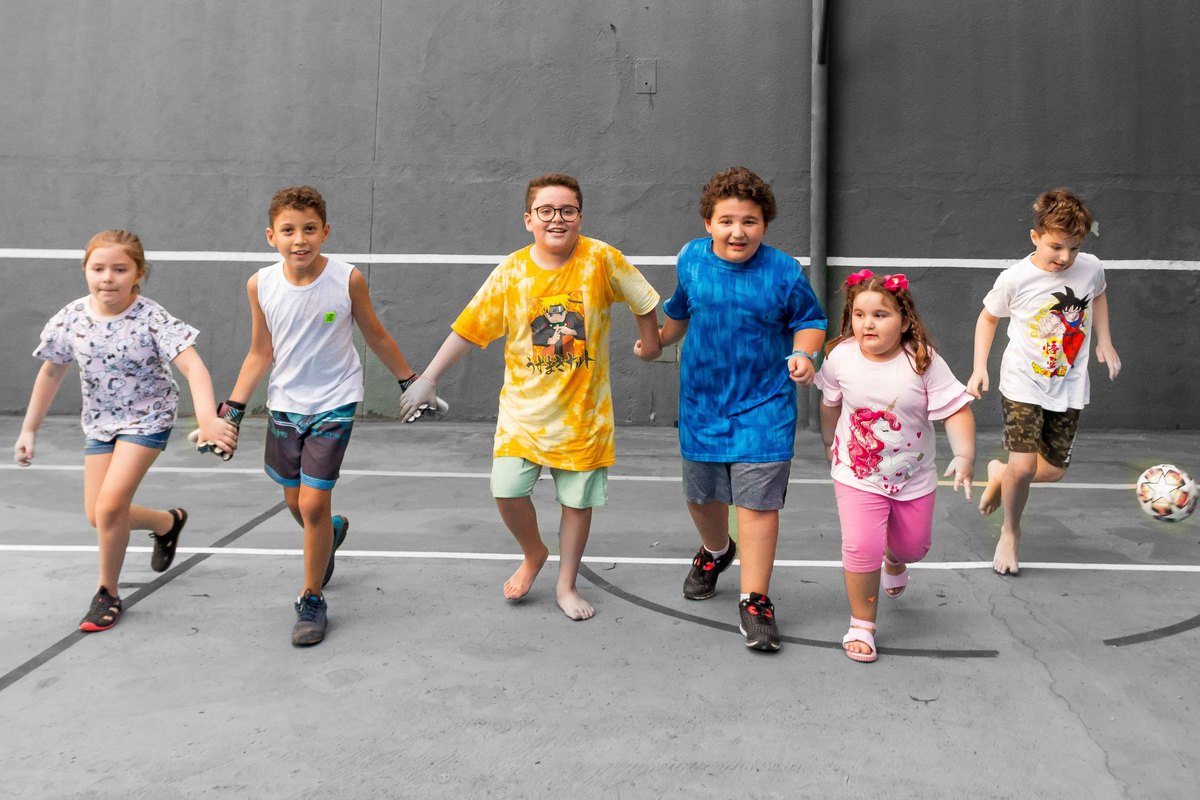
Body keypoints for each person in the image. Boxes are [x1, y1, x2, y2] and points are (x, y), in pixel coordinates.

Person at [400, 173, 661, 621]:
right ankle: (534, 552)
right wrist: (429, 377)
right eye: (546, 211)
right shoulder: (512, 271)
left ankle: (566, 584)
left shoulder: (601, 259)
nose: (557, 219)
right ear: (528, 219)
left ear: (580, 217)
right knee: (506, 490)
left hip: (583, 417)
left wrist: (651, 344)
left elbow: (643, 299)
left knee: (576, 503)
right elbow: (469, 328)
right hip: (523, 416)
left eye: (567, 210)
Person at [636, 166, 827, 652]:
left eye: (749, 221)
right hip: (703, 404)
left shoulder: (784, 271)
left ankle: (755, 599)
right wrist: (657, 341)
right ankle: (717, 550)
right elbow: (681, 311)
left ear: (765, 225)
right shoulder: (691, 259)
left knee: (758, 505)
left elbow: (810, 320)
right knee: (702, 498)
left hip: (765, 406)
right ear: (708, 223)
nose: (737, 231)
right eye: (726, 220)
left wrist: (804, 354)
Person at [12, 230, 237, 632]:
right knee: (97, 515)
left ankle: (107, 593)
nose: (107, 277)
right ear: (85, 270)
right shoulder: (72, 317)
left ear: (138, 273)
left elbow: (193, 368)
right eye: (98, 268)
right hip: (100, 423)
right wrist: (29, 430)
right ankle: (167, 523)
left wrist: (207, 418)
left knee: (110, 506)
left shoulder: (151, 317)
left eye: (119, 269)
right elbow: (51, 372)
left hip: (148, 418)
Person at [226, 185, 419, 646]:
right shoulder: (260, 284)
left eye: (310, 229)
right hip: (285, 405)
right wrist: (232, 409)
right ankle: (330, 534)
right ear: (271, 236)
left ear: (326, 232)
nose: (300, 239)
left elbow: (375, 335)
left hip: (335, 400)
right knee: (295, 502)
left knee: (312, 503)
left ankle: (311, 598)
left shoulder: (347, 279)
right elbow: (260, 351)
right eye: (289, 230)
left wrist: (409, 380)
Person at [816, 270, 975, 662]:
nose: (867, 323)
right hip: (856, 473)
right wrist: (829, 441)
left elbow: (956, 410)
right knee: (860, 546)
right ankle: (862, 624)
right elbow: (830, 403)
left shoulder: (922, 359)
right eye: (859, 314)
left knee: (913, 547)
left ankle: (895, 558)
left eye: (880, 315)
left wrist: (964, 455)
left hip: (912, 477)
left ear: (904, 321)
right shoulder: (840, 356)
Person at [967, 189, 1121, 575]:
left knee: (1052, 470)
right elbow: (988, 317)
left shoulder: (1091, 268)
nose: (1065, 257)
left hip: (1068, 384)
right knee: (1023, 466)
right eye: (1056, 246)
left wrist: (1104, 341)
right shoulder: (1015, 278)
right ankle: (1010, 532)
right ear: (1035, 237)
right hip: (1023, 381)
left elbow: (1099, 296)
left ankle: (1000, 473)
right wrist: (979, 367)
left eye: (1074, 248)